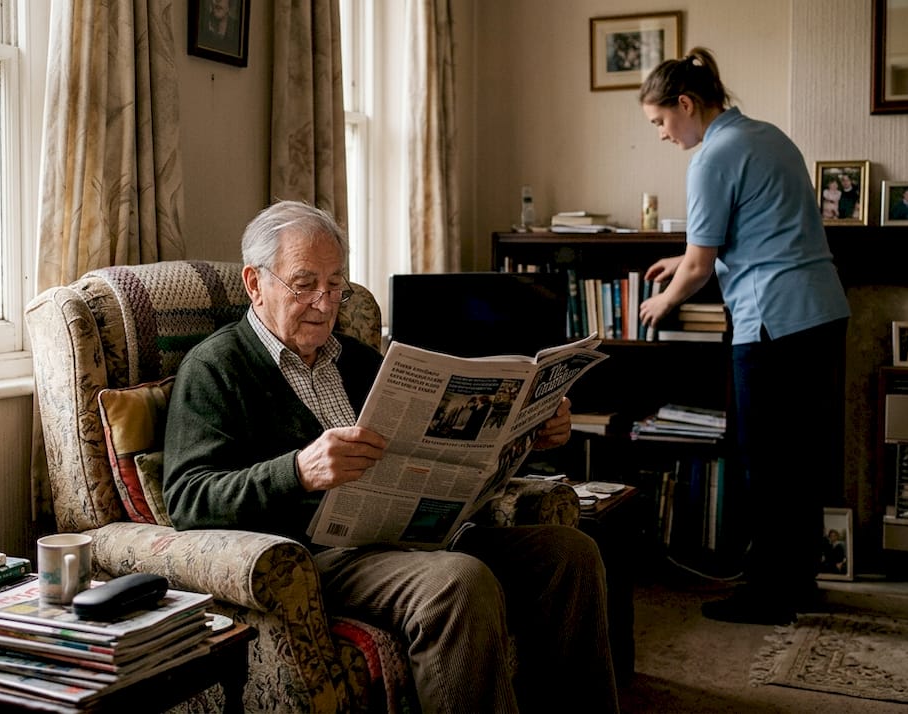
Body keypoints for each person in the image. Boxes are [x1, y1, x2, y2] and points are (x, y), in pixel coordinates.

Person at [163, 200, 619, 713]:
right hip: (321, 554)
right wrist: (298, 471)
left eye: (335, 284)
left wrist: (528, 432)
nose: (323, 302)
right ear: (255, 283)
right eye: (304, 283)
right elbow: (187, 498)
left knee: (570, 554)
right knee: (459, 583)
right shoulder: (216, 367)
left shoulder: (357, 360)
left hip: (414, 533)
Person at [637, 48, 850, 626]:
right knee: (802, 459)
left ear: (685, 104)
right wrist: (679, 259)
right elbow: (752, 227)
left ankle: (766, 595)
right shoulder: (767, 135)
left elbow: (703, 265)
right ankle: (798, 579)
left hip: (774, 318)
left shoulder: (712, 157)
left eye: (660, 120)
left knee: (764, 461)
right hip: (822, 311)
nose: (660, 133)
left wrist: (665, 298)